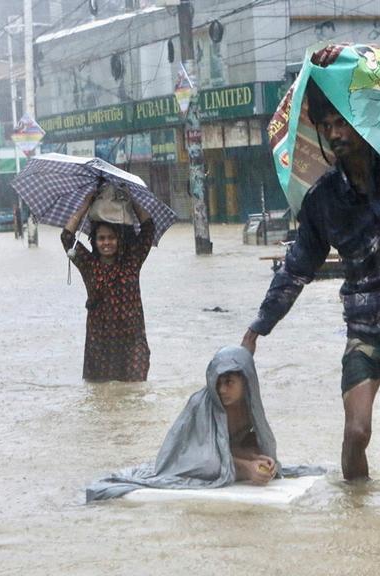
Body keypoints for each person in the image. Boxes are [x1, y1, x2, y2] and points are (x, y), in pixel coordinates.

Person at [241, 44, 380, 482]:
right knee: (357, 432)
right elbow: (296, 270)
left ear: (361, 121)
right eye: (328, 125)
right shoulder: (322, 202)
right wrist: (256, 330)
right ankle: (355, 516)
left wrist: (369, 58)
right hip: (367, 325)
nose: (336, 133)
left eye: (343, 122)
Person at [86, 346, 279, 501]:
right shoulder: (201, 405)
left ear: (246, 382)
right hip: (189, 457)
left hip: (219, 453)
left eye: (229, 383)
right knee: (211, 465)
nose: (221, 389)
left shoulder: (250, 406)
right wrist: (247, 468)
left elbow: (232, 445)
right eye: (218, 382)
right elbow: (205, 456)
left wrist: (259, 459)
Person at [61, 182, 155, 382]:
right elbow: (67, 237)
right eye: (101, 238)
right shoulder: (89, 265)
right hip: (100, 346)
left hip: (133, 344)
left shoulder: (132, 261)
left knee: (134, 391)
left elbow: (148, 228)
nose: (106, 243)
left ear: (119, 239)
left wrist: (132, 199)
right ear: (94, 241)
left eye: (111, 238)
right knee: (103, 397)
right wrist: (86, 204)